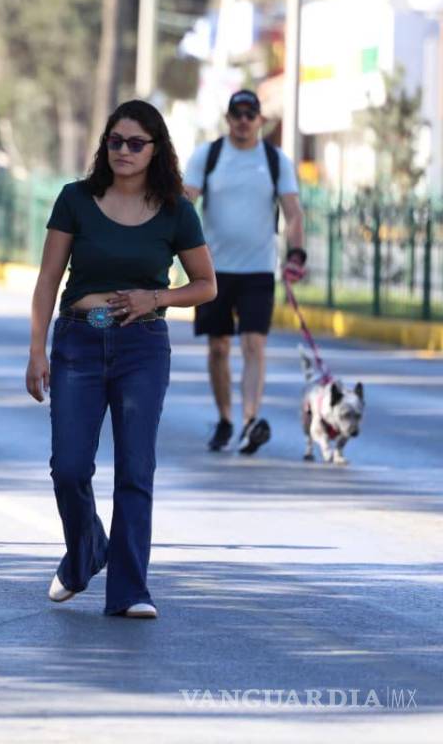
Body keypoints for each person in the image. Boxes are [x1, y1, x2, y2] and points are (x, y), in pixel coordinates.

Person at [25, 99, 216, 619]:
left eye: (136, 143)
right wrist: (37, 349)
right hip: (78, 343)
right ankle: (85, 551)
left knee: (135, 469)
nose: (124, 151)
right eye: (115, 141)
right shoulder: (76, 200)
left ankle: (130, 588)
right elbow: (47, 280)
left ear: (157, 150)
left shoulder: (176, 209)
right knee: (68, 467)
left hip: (142, 347)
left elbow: (206, 285)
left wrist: (156, 298)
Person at [183, 89, 306, 454]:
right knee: (218, 347)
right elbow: (186, 202)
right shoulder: (209, 156)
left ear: (260, 120)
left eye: (250, 114)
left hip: (258, 270)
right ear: (228, 118)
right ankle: (225, 419)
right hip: (213, 271)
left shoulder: (274, 160)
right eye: (236, 113)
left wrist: (296, 253)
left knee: (255, 343)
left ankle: (251, 421)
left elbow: (293, 211)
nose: (243, 120)